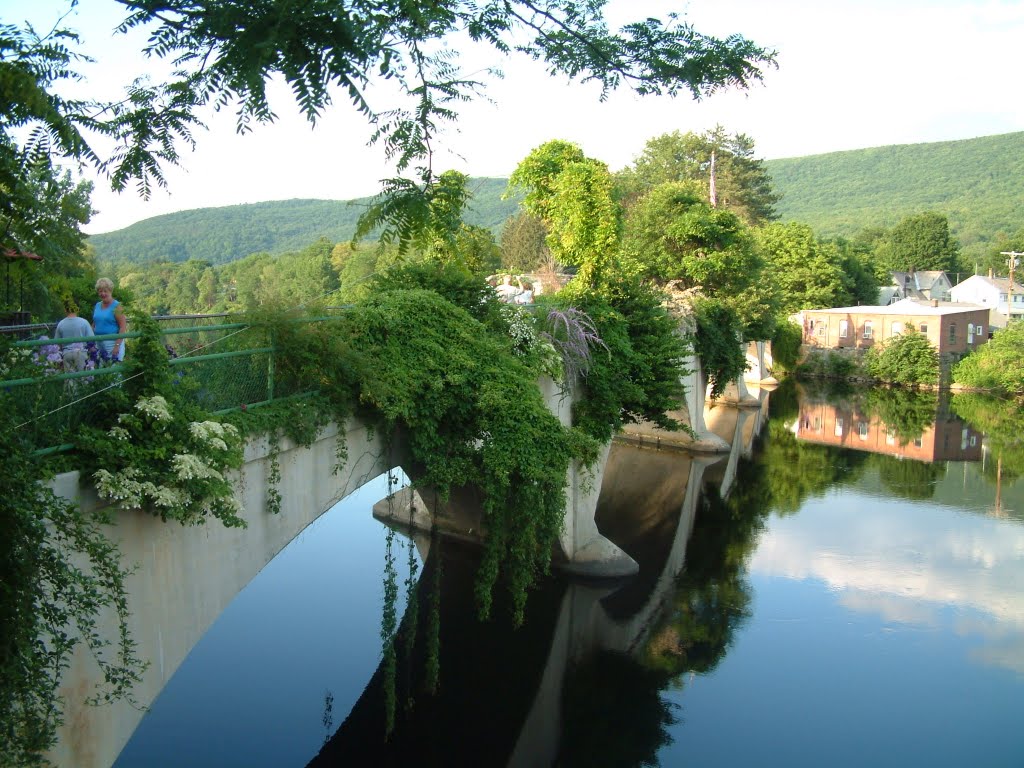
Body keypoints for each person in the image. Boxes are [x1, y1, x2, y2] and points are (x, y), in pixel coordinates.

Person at [92, 277, 127, 361]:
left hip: (112, 343)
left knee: (113, 371)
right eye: (100, 291)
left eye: (105, 291)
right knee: (101, 370)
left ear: (110, 291)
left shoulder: (117, 306)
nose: (103, 293)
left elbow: (123, 327)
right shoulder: (97, 305)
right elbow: (95, 323)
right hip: (98, 342)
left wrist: (117, 346)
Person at [54, 297, 93, 370]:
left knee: (69, 379)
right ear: (78, 308)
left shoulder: (61, 324)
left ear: (65, 309)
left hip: (67, 353)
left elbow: (57, 343)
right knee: (82, 378)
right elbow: (91, 340)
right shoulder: (84, 322)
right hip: (80, 353)